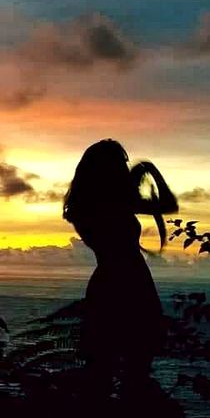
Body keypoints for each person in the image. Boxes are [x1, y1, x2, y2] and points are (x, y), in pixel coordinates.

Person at [62, 139, 178, 390]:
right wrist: (149, 171)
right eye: (119, 165)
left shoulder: (88, 206)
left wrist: (148, 171)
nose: (124, 170)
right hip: (127, 283)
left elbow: (168, 205)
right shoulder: (108, 205)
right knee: (125, 369)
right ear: (106, 170)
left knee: (110, 367)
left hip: (117, 283)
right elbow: (167, 204)